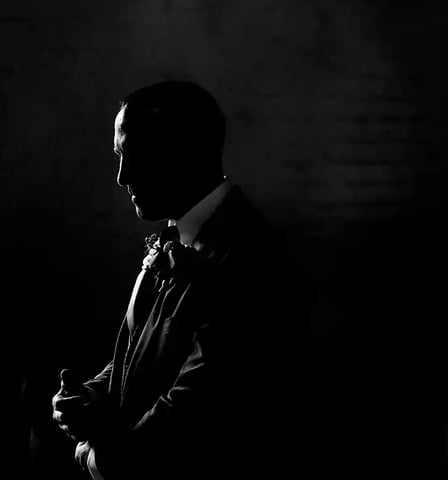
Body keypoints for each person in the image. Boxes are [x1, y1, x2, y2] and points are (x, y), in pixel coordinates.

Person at [51, 81, 308, 479]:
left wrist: (105, 460)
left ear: (181, 154)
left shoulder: (248, 255)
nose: (121, 177)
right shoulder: (178, 235)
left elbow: (202, 400)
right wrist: (90, 394)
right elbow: (143, 348)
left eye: (133, 156)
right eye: (119, 156)